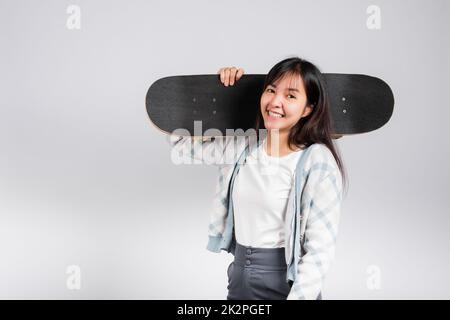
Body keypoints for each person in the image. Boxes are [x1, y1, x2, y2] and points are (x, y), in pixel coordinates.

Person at [168, 56, 348, 299]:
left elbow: (319, 251)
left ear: (308, 108)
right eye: (271, 90)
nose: (275, 101)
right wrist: (221, 93)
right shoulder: (244, 147)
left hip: (287, 282)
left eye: (291, 96)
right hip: (240, 277)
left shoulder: (318, 162)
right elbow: (180, 145)